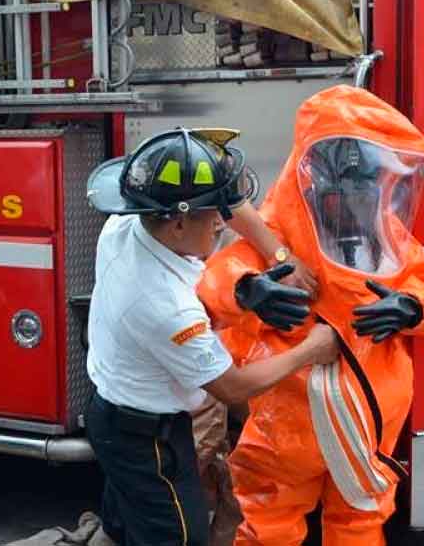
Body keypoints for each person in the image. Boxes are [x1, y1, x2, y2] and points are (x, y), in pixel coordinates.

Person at [197, 85, 424, 546]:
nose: (357, 191)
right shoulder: (279, 231)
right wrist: (249, 290)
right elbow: (221, 273)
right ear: (315, 172)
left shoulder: (386, 234)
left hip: (367, 418)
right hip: (289, 416)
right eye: (348, 177)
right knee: (268, 522)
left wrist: (412, 305)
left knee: (358, 520)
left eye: (366, 180)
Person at [83, 127, 339, 546]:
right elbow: (232, 386)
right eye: (213, 216)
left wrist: (281, 257)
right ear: (180, 222)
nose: (222, 222)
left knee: (123, 526)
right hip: (146, 438)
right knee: (181, 537)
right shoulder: (164, 306)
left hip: (112, 412)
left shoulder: (128, 224)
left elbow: (228, 200)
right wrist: (312, 349)